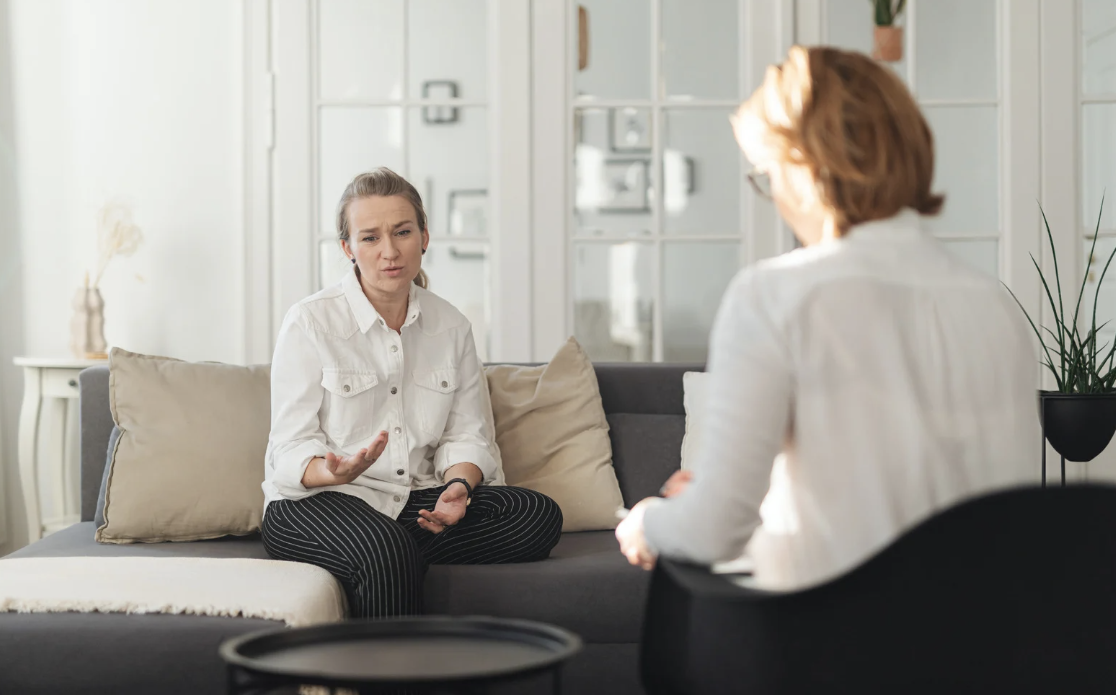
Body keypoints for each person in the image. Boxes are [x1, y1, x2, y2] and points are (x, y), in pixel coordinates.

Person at [616, 45, 1036, 590]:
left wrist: (649, 521)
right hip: (994, 655)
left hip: (836, 648)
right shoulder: (997, 305)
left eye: (768, 174)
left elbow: (713, 531)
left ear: (805, 169)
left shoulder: (774, 295)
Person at [261, 167, 562, 617]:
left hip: (413, 502)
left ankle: (380, 562)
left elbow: (468, 435)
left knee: (536, 515)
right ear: (348, 248)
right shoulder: (310, 322)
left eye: (402, 232)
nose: (389, 252)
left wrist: (458, 486)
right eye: (369, 238)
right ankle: (384, 572)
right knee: (386, 550)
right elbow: (288, 448)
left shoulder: (452, 325)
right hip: (318, 501)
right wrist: (334, 472)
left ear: (424, 236)